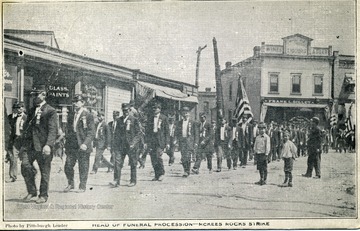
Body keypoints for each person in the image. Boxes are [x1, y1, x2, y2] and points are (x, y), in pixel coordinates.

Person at [21, 85, 58, 203]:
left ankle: (43, 195)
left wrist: (48, 145)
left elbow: (53, 130)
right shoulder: (31, 110)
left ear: (43, 95)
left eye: (36, 94)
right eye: (33, 95)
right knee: (25, 166)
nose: (34, 97)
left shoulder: (50, 111)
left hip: (43, 147)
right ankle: (32, 191)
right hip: (30, 146)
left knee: (45, 171)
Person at [64, 94, 96, 193]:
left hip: (83, 145)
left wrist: (85, 143)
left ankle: (82, 186)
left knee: (83, 166)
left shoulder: (88, 115)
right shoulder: (71, 115)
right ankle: (71, 183)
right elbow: (69, 130)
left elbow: (91, 132)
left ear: (83, 103)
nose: (75, 104)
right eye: (74, 102)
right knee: (68, 165)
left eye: (78, 101)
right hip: (72, 145)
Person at [110, 103, 141, 187]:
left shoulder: (134, 120)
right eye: (123, 110)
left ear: (129, 110)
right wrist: (114, 145)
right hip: (120, 146)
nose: (125, 112)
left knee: (133, 163)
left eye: (127, 110)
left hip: (131, 146)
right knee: (117, 162)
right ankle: (116, 180)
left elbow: (138, 133)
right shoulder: (119, 120)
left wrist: (133, 143)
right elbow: (116, 133)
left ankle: (133, 180)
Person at [145, 102, 169, 181]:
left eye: (156, 108)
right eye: (153, 108)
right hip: (152, 140)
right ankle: (156, 174)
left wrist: (167, 143)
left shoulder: (164, 118)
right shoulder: (150, 118)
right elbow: (147, 131)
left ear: (159, 109)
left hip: (160, 141)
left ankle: (161, 173)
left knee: (158, 157)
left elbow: (167, 131)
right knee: (153, 158)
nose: (154, 109)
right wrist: (146, 142)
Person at [7, 101, 27, 183]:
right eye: (18, 107)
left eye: (21, 107)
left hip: (24, 140)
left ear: (24, 108)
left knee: (26, 159)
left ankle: (33, 173)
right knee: (13, 158)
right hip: (16, 140)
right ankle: (13, 176)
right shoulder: (14, 118)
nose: (20, 109)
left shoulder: (26, 118)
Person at [175, 106, 198, 177]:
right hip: (182, 141)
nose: (185, 114)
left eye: (186, 113)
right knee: (183, 157)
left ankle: (187, 171)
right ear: (182, 114)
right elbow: (177, 132)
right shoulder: (179, 122)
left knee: (188, 156)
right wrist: (176, 140)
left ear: (189, 114)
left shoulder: (193, 122)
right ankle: (185, 169)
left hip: (189, 142)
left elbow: (196, 133)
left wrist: (196, 142)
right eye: (184, 113)